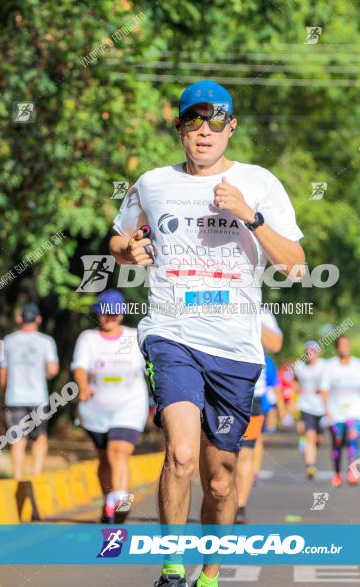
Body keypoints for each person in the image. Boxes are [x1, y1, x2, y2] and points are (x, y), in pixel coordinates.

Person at [109, 79, 305, 587]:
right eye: (193, 120)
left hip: (236, 348)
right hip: (170, 333)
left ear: (231, 127)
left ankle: (210, 573)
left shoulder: (259, 183)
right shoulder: (152, 183)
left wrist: (249, 216)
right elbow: (118, 235)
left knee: (220, 479)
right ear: (179, 128)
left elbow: (296, 265)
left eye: (215, 120)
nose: (204, 131)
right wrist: (127, 250)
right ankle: (172, 569)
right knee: (181, 453)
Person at [72, 289, 148, 524]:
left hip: (130, 404)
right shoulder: (88, 339)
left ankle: (122, 503)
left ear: (122, 315)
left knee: (119, 452)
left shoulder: (134, 337)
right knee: (105, 459)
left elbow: (151, 368)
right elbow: (80, 368)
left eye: (114, 314)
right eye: (105, 313)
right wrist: (83, 386)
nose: (110, 318)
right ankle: (109, 503)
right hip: (96, 408)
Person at [0, 303, 59, 480]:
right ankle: (36, 474)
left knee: (17, 438)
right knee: (40, 437)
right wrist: (45, 374)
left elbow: (3, 371)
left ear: (20, 319)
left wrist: (5, 392)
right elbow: (53, 370)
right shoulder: (46, 341)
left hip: (14, 397)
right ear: (39, 319)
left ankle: (18, 476)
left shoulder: (8, 341)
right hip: (38, 397)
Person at [234, 309, 283, 524]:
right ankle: (221, 501)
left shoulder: (262, 314)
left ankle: (240, 507)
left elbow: (275, 345)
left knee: (245, 453)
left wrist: (248, 317)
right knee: (221, 455)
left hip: (253, 394)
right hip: (217, 391)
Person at [319, 335, 360, 488]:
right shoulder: (330, 366)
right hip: (335, 411)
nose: (344, 347)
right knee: (337, 440)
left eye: (346, 344)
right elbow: (323, 390)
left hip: (355, 411)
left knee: (352, 437)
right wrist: (326, 410)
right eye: (341, 345)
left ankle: (353, 472)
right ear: (337, 348)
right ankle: (337, 473)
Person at [293, 341, 325, 480]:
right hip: (305, 406)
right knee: (310, 436)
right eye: (308, 351)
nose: (310, 353)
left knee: (319, 438)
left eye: (313, 351)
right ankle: (310, 465)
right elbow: (294, 381)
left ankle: (311, 452)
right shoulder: (299, 366)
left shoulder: (324, 366)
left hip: (322, 406)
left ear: (318, 352)